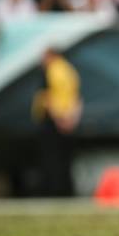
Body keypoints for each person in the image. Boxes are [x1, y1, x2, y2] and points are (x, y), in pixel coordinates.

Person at [32, 48, 82, 196]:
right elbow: (76, 97)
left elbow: (50, 98)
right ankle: (66, 190)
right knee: (65, 158)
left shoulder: (53, 70)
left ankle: (54, 190)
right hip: (68, 120)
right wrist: (72, 118)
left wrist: (59, 119)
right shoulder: (69, 70)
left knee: (52, 159)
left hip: (54, 121)